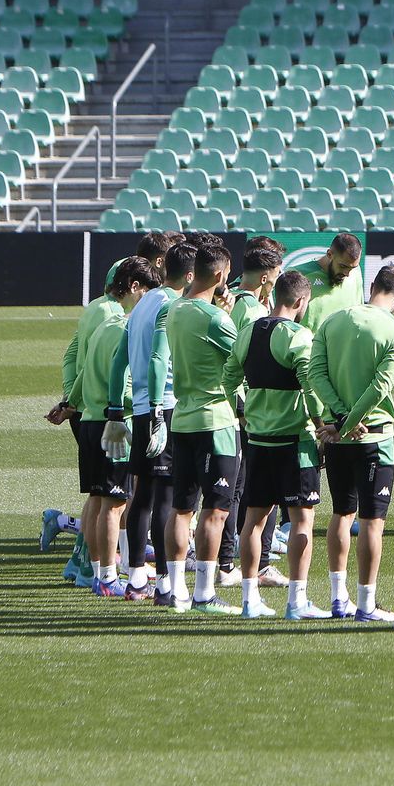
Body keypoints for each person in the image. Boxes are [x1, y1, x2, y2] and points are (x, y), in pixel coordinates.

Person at [222, 268, 328, 619]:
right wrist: (320, 423)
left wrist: (242, 412)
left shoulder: (249, 331)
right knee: (302, 521)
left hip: (258, 440)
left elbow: (229, 377)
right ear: (300, 301)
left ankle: (251, 601)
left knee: (253, 519)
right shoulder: (300, 337)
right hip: (295, 442)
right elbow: (311, 387)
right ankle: (297, 602)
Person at [309, 264, 394, 621]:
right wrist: (350, 422)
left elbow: (315, 374)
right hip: (374, 438)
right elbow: (380, 387)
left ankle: (339, 599)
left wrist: (338, 421)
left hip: (338, 438)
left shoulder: (333, 321)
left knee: (340, 513)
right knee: (372, 521)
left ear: (372, 286)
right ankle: (366, 604)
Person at [107, 238, 191, 602]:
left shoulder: (143, 303)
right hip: (163, 406)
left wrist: (115, 409)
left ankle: (137, 576)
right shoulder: (171, 305)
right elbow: (159, 358)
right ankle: (163, 582)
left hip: (140, 408)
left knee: (142, 493)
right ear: (189, 275)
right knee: (166, 496)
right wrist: (159, 410)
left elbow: (118, 361)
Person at [161, 244, 243, 614]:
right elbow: (243, 357)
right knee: (216, 510)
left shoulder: (175, 308)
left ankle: (174, 589)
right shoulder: (216, 319)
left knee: (182, 508)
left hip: (182, 419)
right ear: (222, 276)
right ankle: (204, 593)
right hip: (216, 422)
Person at [79, 258, 160, 596]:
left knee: (100, 501)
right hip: (113, 426)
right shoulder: (122, 328)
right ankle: (110, 575)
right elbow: (123, 381)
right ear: (135, 288)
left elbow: (84, 371)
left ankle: (101, 573)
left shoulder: (102, 324)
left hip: (89, 420)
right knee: (114, 503)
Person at [219, 245, 288, 591]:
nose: (276, 281)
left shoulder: (231, 302)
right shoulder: (252, 311)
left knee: (237, 488)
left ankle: (228, 560)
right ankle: (248, 562)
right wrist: (244, 406)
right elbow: (242, 362)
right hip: (251, 411)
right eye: (275, 275)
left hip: (232, 406)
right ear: (265, 277)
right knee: (249, 489)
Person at [294, 232, 364, 333]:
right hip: (308, 348)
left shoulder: (356, 273)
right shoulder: (298, 275)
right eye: (343, 266)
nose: (347, 273)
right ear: (329, 254)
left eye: (352, 268)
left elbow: (358, 315)